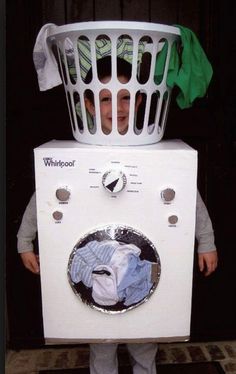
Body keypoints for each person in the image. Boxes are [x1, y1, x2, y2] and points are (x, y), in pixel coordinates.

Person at [17, 56, 218, 374]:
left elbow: (188, 196)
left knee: (146, 336)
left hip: (139, 272)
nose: (117, 108)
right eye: (105, 98)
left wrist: (206, 241)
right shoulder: (76, 154)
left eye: (125, 97)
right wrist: (24, 240)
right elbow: (44, 195)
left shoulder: (158, 153)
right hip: (99, 276)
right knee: (99, 338)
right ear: (88, 103)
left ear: (140, 101)